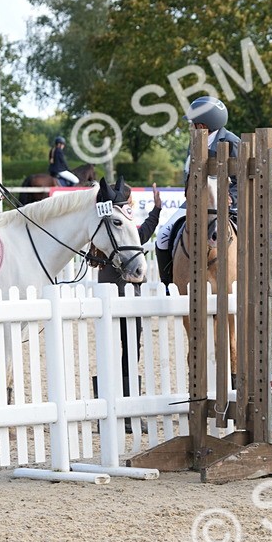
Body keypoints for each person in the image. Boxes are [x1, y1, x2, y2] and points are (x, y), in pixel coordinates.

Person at [153, 96, 240, 288]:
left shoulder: (232, 142)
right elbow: (188, 174)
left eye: (192, 123)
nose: (190, 126)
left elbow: (241, 179)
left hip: (226, 204)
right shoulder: (194, 141)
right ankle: (168, 285)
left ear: (202, 125)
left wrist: (231, 198)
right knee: (163, 236)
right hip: (195, 203)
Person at [95, 184, 162, 413]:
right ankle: (114, 401)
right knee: (121, 350)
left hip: (125, 296)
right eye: (130, 200)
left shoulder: (123, 229)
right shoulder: (112, 229)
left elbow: (142, 235)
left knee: (126, 350)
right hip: (118, 295)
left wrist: (156, 211)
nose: (131, 203)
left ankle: (125, 401)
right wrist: (156, 211)